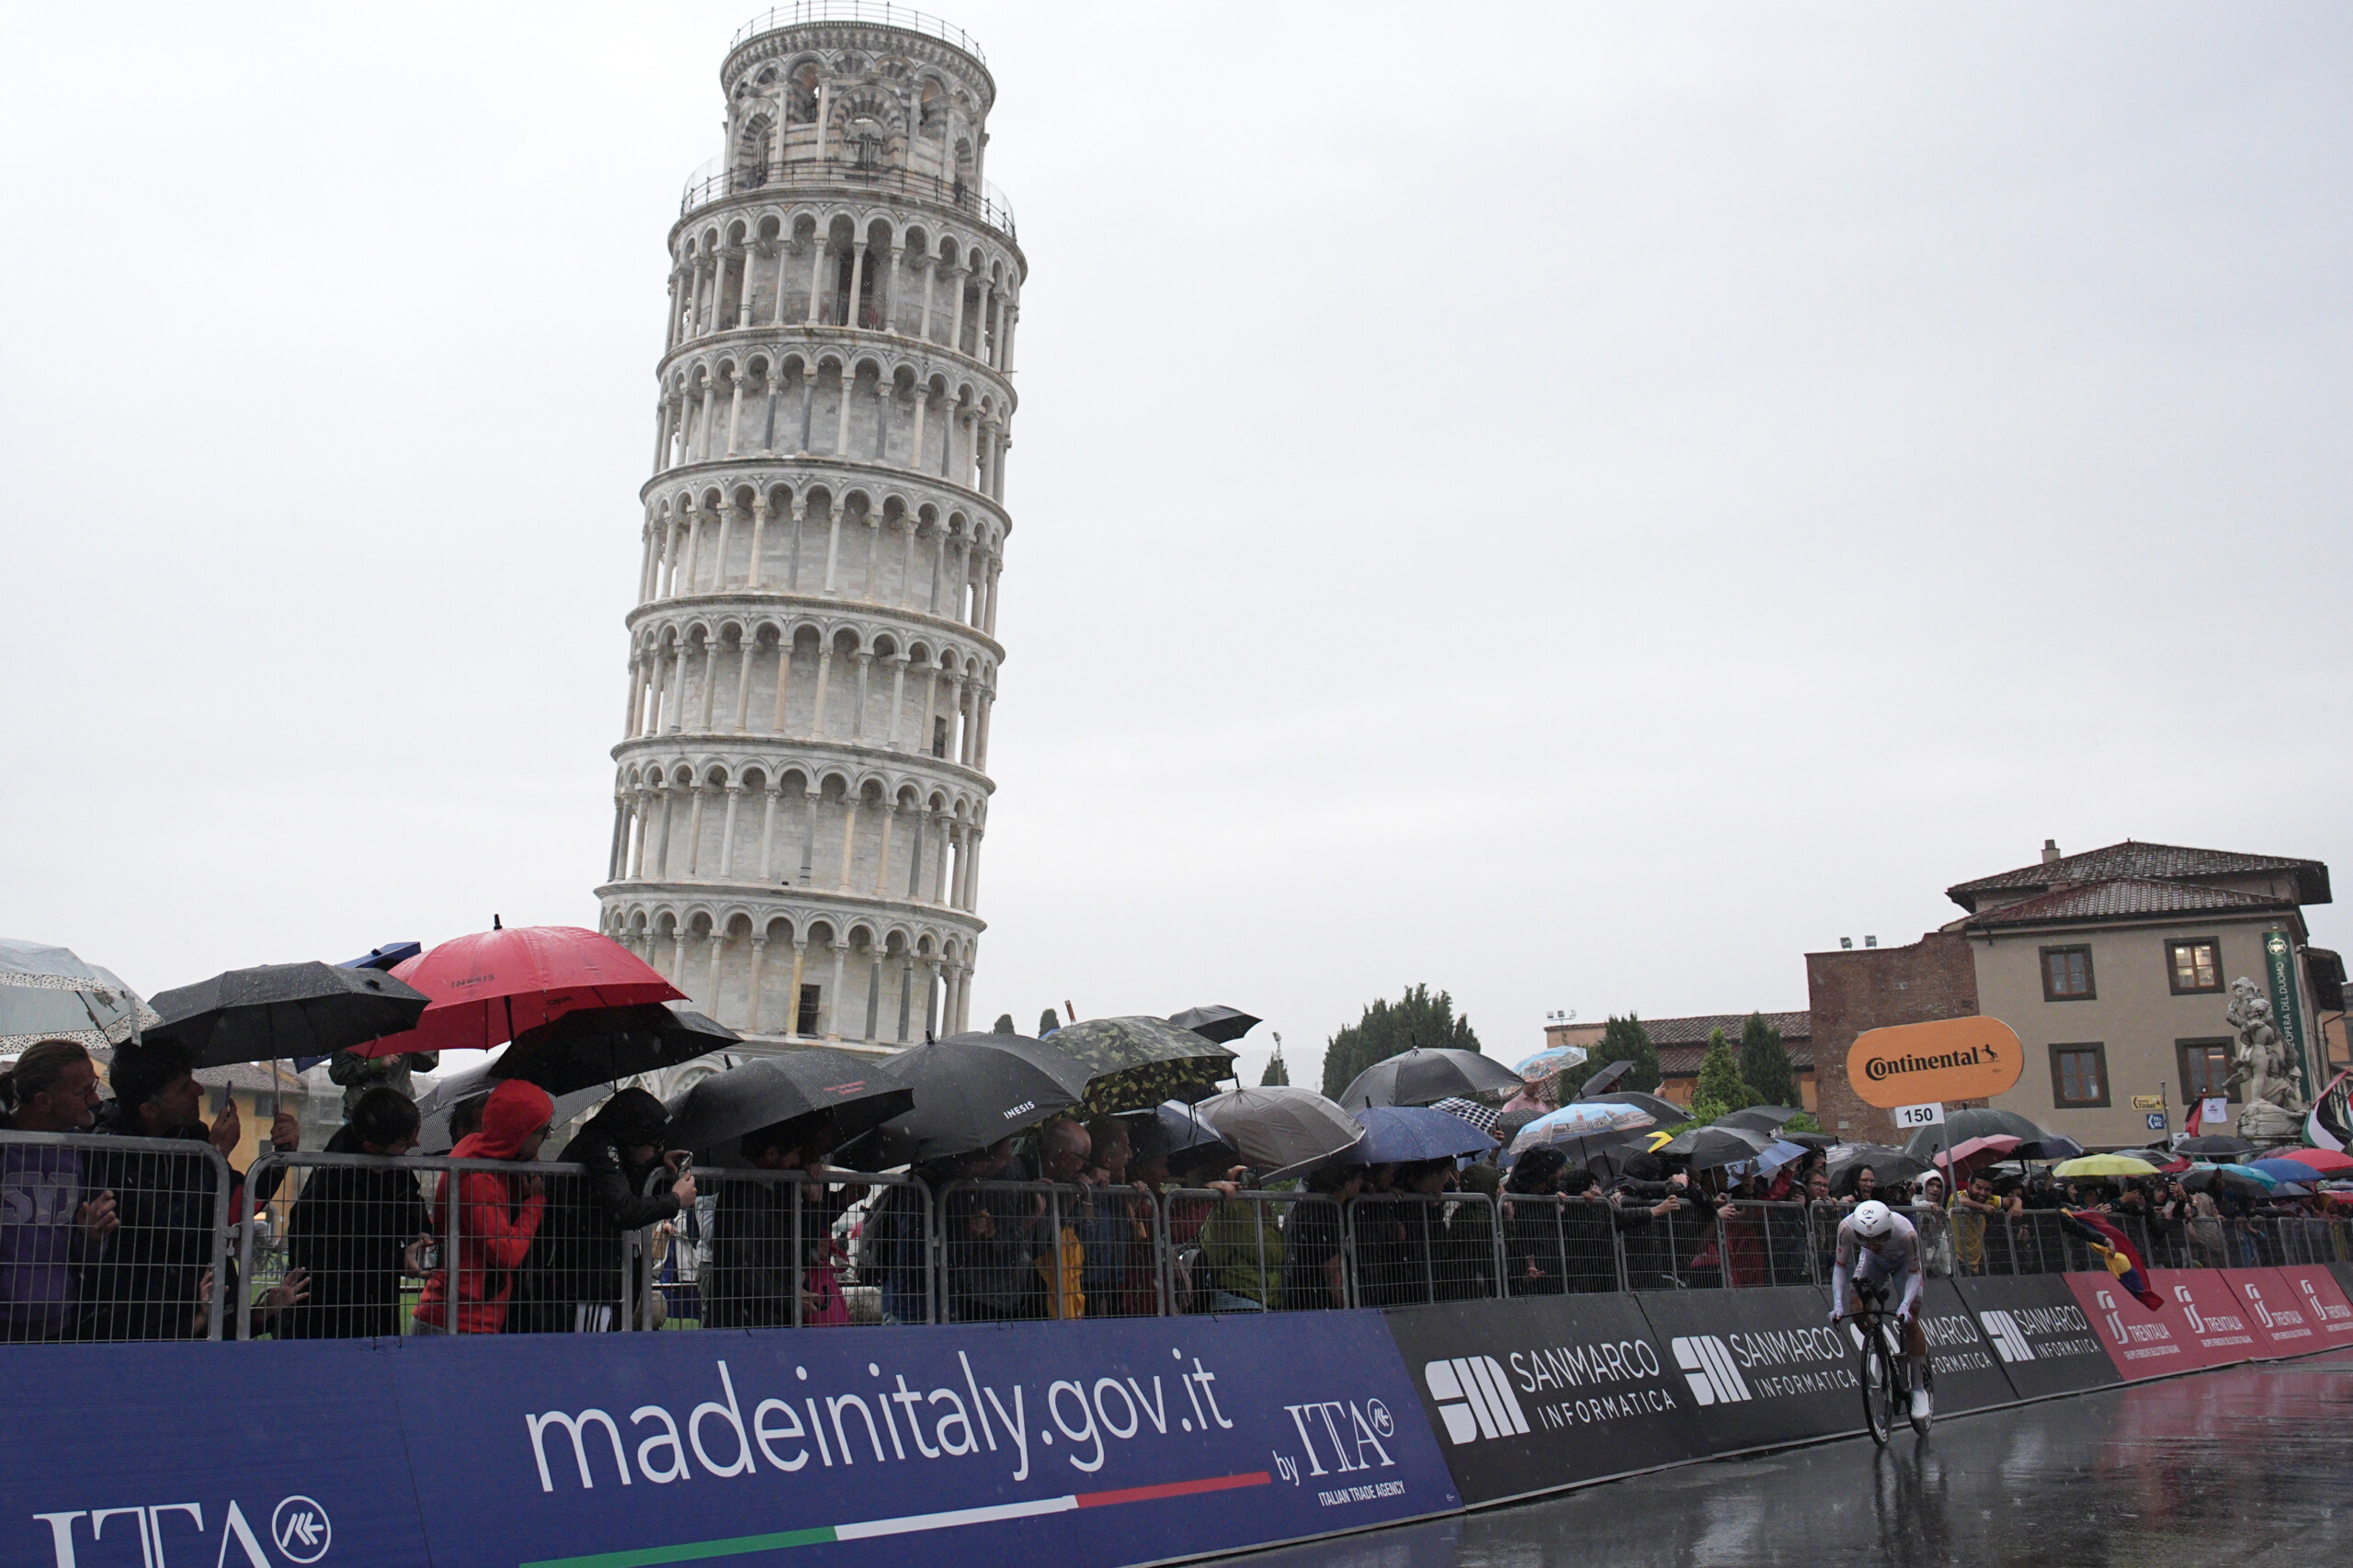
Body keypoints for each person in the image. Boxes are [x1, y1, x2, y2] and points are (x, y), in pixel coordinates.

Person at [84, 1040, 299, 1340]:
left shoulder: (194, 1137)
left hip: (203, 1307)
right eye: (185, 1087)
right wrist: (216, 1154)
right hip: (141, 1320)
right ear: (150, 1109)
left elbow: (235, 1207)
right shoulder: (108, 1149)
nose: (199, 1091)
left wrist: (280, 1157)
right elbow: (166, 1230)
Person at [517, 1088, 694, 1333]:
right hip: (587, 1285)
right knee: (588, 1358)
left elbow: (622, 1180)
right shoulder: (599, 1147)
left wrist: (657, 1163)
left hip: (596, 1281)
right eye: (654, 1145)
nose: (659, 1151)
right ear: (632, 1136)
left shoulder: (608, 1146)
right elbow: (620, 1207)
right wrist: (675, 1200)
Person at [279, 1086, 431, 1338]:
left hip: (375, 1307)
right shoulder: (331, 1186)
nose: (416, 1144)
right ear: (371, 1146)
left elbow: (409, 1200)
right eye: (406, 1142)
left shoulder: (390, 1163)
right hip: (328, 1317)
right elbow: (334, 1252)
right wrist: (397, 1260)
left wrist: (422, 1233)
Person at [0, 1040, 119, 1341]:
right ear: (43, 1101)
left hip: (56, 1322)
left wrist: (92, 1236)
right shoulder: (6, 1147)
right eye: (84, 1091)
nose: (95, 1099)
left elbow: (89, 1255)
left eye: (95, 1085)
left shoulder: (85, 1152)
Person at [412, 1079, 551, 1334]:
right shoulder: (478, 1176)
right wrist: (535, 1204)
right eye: (544, 1130)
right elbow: (506, 1253)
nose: (549, 1136)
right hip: (461, 1322)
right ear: (521, 1132)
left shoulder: (475, 1153)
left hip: (460, 1317)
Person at [1830, 1199, 1930, 1422]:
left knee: (1910, 1320)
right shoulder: (1846, 1228)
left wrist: (1904, 1305)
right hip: (1873, 1263)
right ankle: (1879, 1348)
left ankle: (1918, 1388)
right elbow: (1840, 1267)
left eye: (1880, 1238)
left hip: (1904, 1265)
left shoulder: (1906, 1233)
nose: (1874, 1243)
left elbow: (1914, 1274)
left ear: (1889, 1230)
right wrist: (1837, 1304)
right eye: (1866, 1239)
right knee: (1856, 1308)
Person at [1077, 1118, 1154, 1317]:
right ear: (1106, 1159)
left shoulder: (1119, 1191)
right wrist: (1088, 1194)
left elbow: (1131, 1237)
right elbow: (1087, 1239)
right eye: (1125, 1148)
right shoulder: (1082, 1186)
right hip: (1088, 1285)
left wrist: (1131, 1203)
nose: (1129, 1156)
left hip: (1114, 1284)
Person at [1280, 1164, 1365, 1310]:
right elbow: (1332, 1272)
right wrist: (1348, 1310)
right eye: (1359, 1178)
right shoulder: (1323, 1214)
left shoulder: (1313, 1203)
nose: (1362, 1182)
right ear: (1347, 1184)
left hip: (1303, 1295)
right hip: (1316, 1301)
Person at [326, 1044, 440, 1118]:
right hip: (363, 1114)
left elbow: (428, 1062)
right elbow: (338, 1072)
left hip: (402, 1111)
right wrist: (375, 1064)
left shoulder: (404, 1026)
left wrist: (410, 1042)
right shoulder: (354, 1029)